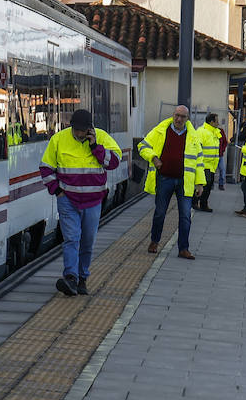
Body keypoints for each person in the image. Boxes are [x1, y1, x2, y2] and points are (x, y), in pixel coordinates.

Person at [39, 109, 122, 297]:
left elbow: (115, 162)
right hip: (68, 199)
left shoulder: (102, 138)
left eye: (82, 131)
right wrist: (57, 191)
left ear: (90, 130)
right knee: (71, 238)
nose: (78, 134)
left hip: (93, 201)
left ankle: (83, 278)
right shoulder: (59, 139)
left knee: (87, 242)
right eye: (75, 130)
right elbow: (46, 167)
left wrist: (96, 149)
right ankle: (71, 277)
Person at [137, 105, 203, 260]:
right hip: (164, 178)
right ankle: (154, 241)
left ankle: (183, 249)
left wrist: (200, 183)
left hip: (185, 181)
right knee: (160, 212)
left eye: (182, 117)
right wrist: (153, 157)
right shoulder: (160, 131)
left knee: (185, 215)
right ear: (173, 115)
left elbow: (199, 161)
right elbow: (142, 146)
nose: (179, 119)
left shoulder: (193, 136)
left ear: (187, 119)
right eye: (177, 115)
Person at [194, 113, 223, 212]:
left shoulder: (214, 132)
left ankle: (203, 204)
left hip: (212, 165)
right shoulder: (202, 132)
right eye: (217, 121)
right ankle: (195, 202)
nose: (218, 123)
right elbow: (197, 148)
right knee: (204, 186)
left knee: (209, 186)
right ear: (211, 122)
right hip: (204, 164)